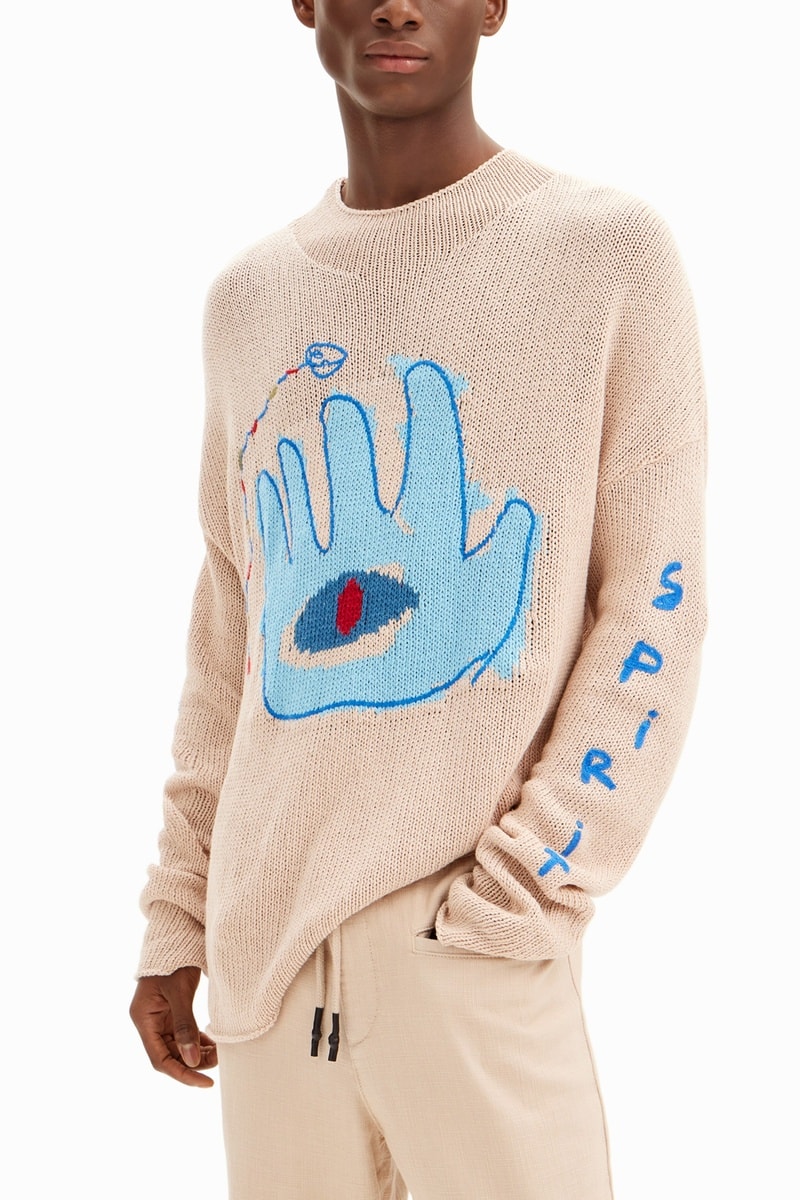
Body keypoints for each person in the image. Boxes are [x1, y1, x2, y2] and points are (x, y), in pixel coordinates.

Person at [130, 2, 707, 1197]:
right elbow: (230, 639)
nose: (396, 3)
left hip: (474, 952)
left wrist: (525, 887)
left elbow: (655, 603)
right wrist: (179, 914)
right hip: (266, 975)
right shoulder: (248, 299)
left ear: (492, 4)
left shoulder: (603, 252)